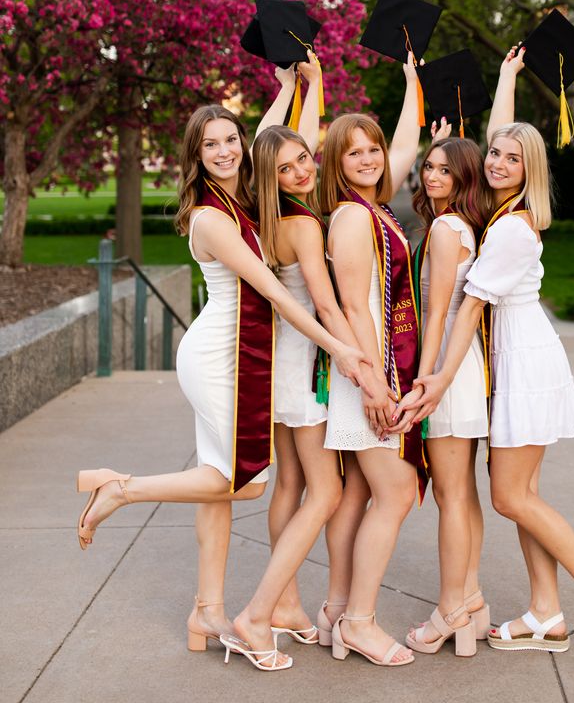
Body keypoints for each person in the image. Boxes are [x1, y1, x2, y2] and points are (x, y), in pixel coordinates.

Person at [76, 102, 369, 672]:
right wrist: (340, 349)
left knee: (218, 485)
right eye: (210, 144)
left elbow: (273, 143)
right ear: (196, 155)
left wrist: (290, 90)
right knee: (245, 482)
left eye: (230, 140)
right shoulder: (212, 217)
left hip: (241, 351)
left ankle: (206, 611)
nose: (225, 151)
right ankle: (120, 489)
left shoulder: (244, 194)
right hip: (217, 354)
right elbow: (276, 293)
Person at [405, 105, 574, 662]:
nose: (500, 163)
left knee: (509, 496)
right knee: (523, 496)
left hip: (524, 361)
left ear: (531, 168)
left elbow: (465, 312)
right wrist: (504, 83)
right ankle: (545, 613)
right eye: (494, 154)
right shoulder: (503, 213)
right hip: (511, 358)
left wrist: (435, 380)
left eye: (514, 157)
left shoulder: (510, 226)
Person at [238, 119, 370, 647]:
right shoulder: (306, 225)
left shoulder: (263, 220)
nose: (299, 172)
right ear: (269, 177)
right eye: (285, 167)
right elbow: (324, 303)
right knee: (327, 491)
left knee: (291, 485)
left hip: (277, 366)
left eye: (302, 159)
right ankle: (261, 609)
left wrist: (299, 82)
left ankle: (288, 606)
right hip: (303, 370)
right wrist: (356, 360)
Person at [318, 59, 425, 667]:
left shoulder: (374, 205)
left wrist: (412, 84)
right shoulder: (354, 216)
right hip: (366, 376)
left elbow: (404, 146)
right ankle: (359, 621)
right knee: (398, 490)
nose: (369, 159)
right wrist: (377, 384)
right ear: (336, 162)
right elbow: (356, 308)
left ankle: (337, 610)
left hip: (369, 373)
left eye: (373, 149)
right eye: (354, 152)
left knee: (358, 494)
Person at [398, 135, 491, 658]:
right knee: (463, 493)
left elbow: (434, 314)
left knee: (450, 495)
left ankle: (450, 609)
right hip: (464, 360)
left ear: (462, 180)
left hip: (446, 365)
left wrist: (423, 378)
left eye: (445, 171)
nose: (432, 177)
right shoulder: (463, 225)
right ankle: (471, 603)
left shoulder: (444, 227)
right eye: (429, 167)